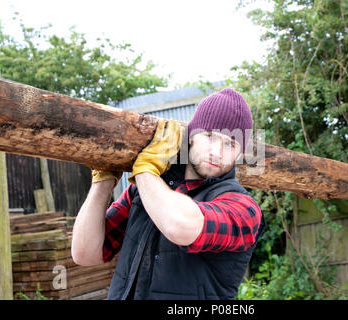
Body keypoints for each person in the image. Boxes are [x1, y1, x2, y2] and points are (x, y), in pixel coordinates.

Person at [71, 88, 265, 300]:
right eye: (209, 136)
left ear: (240, 152)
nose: (216, 152)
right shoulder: (142, 191)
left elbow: (179, 226)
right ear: (191, 136)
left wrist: (145, 169)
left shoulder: (243, 207)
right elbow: (85, 253)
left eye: (230, 143)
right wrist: (104, 180)